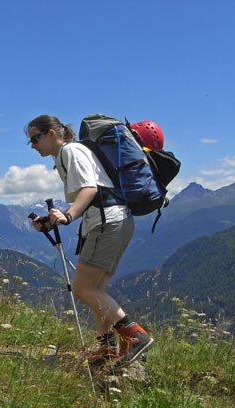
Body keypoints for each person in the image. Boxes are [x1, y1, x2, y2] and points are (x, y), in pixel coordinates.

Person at [27, 114, 155, 367]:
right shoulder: (69, 154)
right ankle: (106, 349)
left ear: (51, 133)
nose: (32, 145)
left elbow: (90, 189)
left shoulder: (70, 151)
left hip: (106, 223)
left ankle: (136, 336)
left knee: (83, 289)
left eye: (34, 138)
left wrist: (68, 215)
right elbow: (93, 191)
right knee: (95, 290)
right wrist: (52, 219)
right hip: (115, 221)